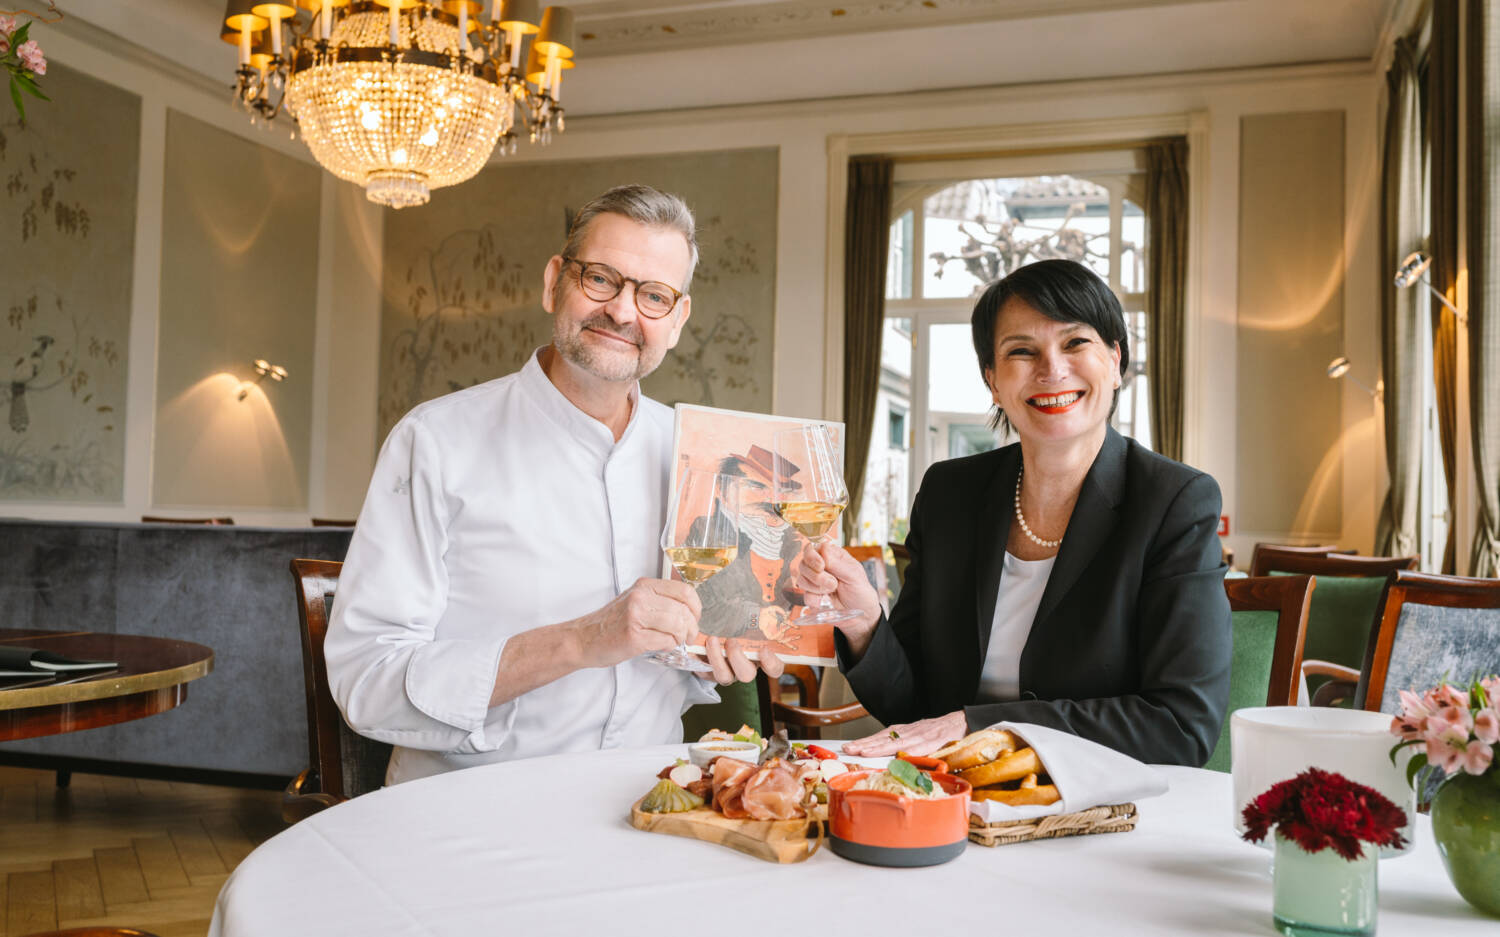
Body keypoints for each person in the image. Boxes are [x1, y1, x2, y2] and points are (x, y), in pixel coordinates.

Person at [325, 184, 783, 785]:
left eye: (653, 296)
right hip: (467, 814)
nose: (622, 311)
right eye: (600, 279)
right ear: (554, 283)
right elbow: (366, 680)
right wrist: (581, 641)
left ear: (676, 320)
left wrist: (708, 652)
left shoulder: (699, 458)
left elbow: (686, 656)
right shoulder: (434, 442)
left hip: (648, 806)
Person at [794, 259, 1231, 766]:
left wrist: (982, 724)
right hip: (954, 798)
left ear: (1115, 361)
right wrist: (865, 618)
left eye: (1075, 343)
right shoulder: (949, 493)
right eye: (1021, 351)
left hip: (1100, 809)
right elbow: (912, 706)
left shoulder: (1174, 502)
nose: (1052, 369)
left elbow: (1180, 727)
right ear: (994, 382)